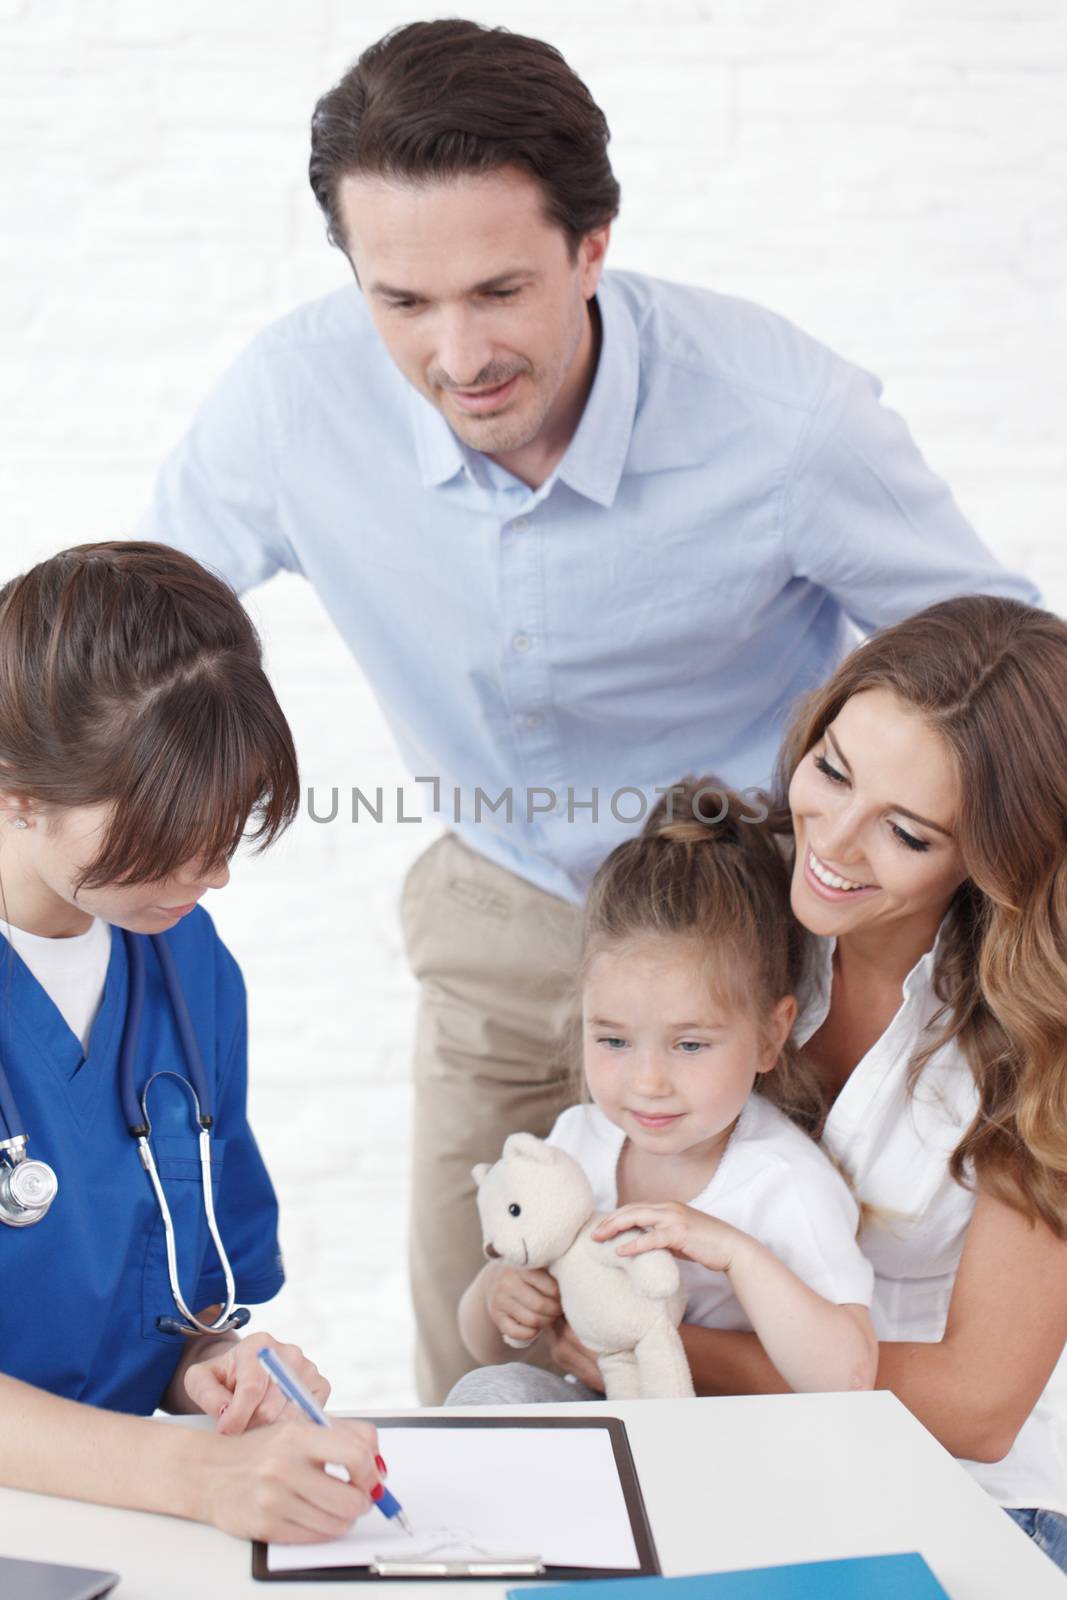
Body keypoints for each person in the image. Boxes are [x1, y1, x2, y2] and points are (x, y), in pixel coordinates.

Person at [139, 19, 1040, 1402]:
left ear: (592, 243)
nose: (457, 355)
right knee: (483, 1338)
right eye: (401, 301)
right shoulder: (287, 400)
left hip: (754, 919)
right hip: (497, 916)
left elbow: (1003, 668)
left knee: (746, 1307)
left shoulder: (784, 422)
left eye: (500, 288)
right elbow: (138, 632)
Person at [541, 596, 1067, 1574]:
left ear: (994, 859)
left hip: (957, 1491)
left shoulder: (1039, 1032)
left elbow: (980, 1404)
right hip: (710, 1447)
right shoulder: (734, 907)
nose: (828, 840)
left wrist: (662, 1348)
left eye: (904, 833)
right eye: (830, 770)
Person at [0, 542, 385, 1544]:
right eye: (169, 831)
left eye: (228, 825)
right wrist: (191, 1474)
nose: (209, 872)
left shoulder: (186, 961)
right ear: (16, 789)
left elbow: (165, 1292)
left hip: (118, 1529)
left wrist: (206, 1369)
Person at [450, 781, 877, 1403]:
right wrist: (499, 1298)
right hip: (606, 1414)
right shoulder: (576, 1142)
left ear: (769, 1035)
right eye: (615, 1042)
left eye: (690, 1045)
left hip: (741, 1443)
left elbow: (850, 1379)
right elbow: (483, 1343)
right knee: (490, 1389)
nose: (648, 1083)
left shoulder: (784, 1183)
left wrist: (735, 1254)